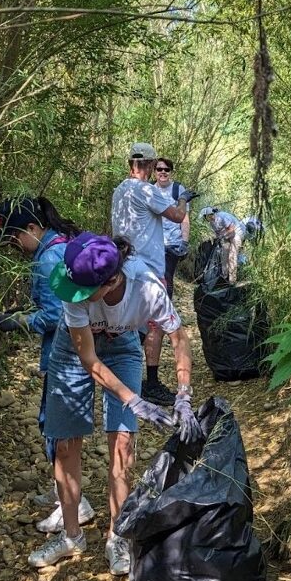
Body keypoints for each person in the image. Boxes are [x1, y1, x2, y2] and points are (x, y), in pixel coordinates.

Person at [27, 232, 202, 575]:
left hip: (122, 347)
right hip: (73, 351)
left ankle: (117, 537)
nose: (77, 294)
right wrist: (134, 400)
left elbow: (179, 337)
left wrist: (183, 393)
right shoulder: (74, 287)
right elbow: (89, 361)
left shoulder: (146, 288)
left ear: (110, 281)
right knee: (64, 444)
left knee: (123, 443)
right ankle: (71, 534)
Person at [0, 196, 96, 534]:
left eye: (14, 238)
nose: (13, 246)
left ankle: (73, 505)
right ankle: (61, 493)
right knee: (55, 425)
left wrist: (16, 321)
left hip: (64, 354)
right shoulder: (56, 248)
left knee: (56, 428)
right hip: (71, 350)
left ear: (33, 229)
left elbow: (55, 315)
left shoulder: (49, 257)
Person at [111, 143, 198, 406]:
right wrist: (183, 197)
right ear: (149, 166)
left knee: (129, 322)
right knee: (157, 326)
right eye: (154, 166)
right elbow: (177, 215)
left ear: (130, 163)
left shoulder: (119, 190)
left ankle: (127, 379)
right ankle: (151, 382)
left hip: (123, 266)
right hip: (147, 269)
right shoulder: (145, 190)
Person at [154, 156, 190, 300]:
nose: (163, 172)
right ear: (154, 171)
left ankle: (166, 313)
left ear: (171, 172)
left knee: (167, 277)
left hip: (173, 242)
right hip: (154, 242)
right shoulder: (149, 189)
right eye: (159, 169)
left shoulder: (178, 189)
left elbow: (184, 217)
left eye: (166, 169)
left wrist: (185, 242)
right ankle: (153, 311)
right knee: (154, 278)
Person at [199, 206, 247, 284]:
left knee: (232, 256)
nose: (205, 219)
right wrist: (218, 238)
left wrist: (223, 235)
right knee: (224, 256)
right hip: (226, 236)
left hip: (236, 233)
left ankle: (232, 281)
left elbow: (231, 229)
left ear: (209, 215)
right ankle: (224, 278)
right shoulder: (212, 223)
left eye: (205, 217)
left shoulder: (222, 217)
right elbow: (218, 233)